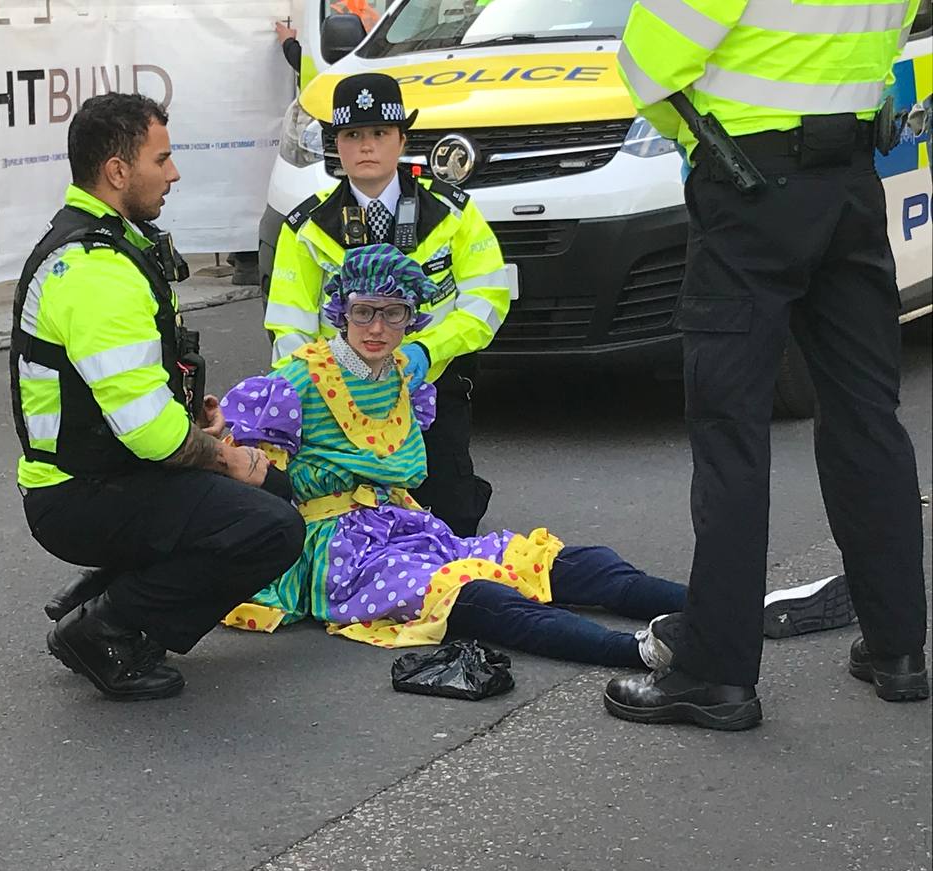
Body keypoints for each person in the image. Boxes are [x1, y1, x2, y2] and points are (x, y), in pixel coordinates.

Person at [223, 245, 846, 667]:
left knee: (557, 562)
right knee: (474, 597)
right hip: (339, 551)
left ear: (411, 320)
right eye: (363, 312)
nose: (377, 327)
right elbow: (240, 462)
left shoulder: (408, 378)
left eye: (392, 314)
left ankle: (735, 609)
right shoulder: (299, 379)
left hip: (408, 527)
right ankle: (643, 651)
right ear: (341, 312)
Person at [605, 0, 929, 729]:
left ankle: (715, 673)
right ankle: (898, 648)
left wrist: (703, 139)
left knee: (731, 432)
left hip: (748, 183)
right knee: (866, 417)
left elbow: (647, 63)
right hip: (850, 180)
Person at [10, 92, 305, 702]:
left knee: (269, 494)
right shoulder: (96, 271)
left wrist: (195, 419)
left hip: (104, 474)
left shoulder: (110, 240)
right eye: (161, 159)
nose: (174, 174)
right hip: (78, 493)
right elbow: (148, 432)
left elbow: (134, 390)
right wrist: (229, 459)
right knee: (272, 526)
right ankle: (105, 628)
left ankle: (108, 593)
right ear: (117, 172)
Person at [265, 72, 509, 537]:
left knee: (452, 518)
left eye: (379, 132)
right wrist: (308, 392)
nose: (366, 146)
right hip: (339, 401)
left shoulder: (452, 212)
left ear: (402, 140)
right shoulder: (307, 226)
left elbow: (487, 301)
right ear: (336, 145)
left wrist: (426, 351)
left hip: (431, 385)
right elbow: (289, 325)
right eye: (353, 135)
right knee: (349, 522)